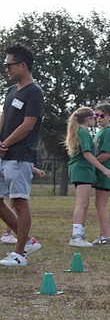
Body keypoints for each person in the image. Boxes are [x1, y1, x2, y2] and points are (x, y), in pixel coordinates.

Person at [0, 43, 44, 267]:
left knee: (19, 202)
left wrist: (5, 143)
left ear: (23, 65)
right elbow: (4, 118)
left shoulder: (34, 92)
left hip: (20, 154)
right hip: (4, 154)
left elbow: (28, 126)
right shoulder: (11, 91)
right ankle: (27, 240)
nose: (6, 69)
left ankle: (20, 254)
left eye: (10, 65)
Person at [65, 107, 110, 248]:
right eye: (94, 117)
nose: (96, 119)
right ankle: (76, 236)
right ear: (87, 118)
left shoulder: (80, 131)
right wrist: (104, 169)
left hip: (82, 170)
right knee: (82, 204)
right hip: (82, 170)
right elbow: (87, 154)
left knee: (84, 203)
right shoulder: (83, 132)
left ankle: (80, 234)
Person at [92, 103, 110, 245]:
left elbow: (107, 154)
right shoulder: (101, 131)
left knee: (101, 204)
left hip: (107, 170)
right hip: (102, 170)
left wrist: (93, 163)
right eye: (96, 115)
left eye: (102, 116)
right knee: (99, 204)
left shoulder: (109, 132)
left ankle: (105, 236)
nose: (98, 118)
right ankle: (103, 234)